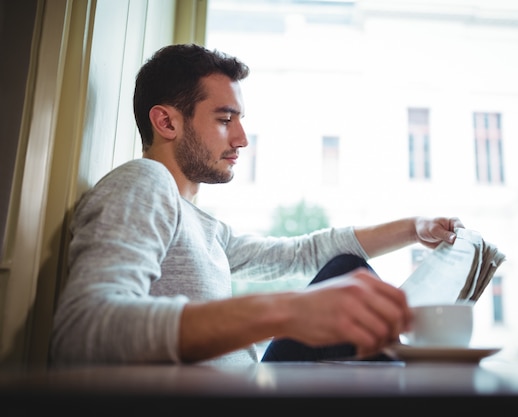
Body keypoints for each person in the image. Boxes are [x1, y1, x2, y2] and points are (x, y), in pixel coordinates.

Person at [49, 43, 465, 367]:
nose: (242, 139)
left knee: (345, 273)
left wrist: (415, 228)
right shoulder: (143, 182)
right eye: (225, 119)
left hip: (254, 383)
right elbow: (81, 331)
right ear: (167, 122)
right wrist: (284, 310)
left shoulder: (204, 226)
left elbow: (304, 252)